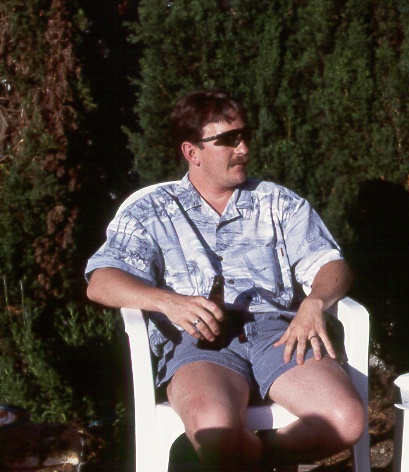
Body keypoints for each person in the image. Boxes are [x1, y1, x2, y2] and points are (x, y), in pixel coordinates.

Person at [85, 90, 366, 471]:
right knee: (215, 433)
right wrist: (167, 301)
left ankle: (250, 457)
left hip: (278, 333)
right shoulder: (151, 209)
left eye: (245, 135)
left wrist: (315, 301)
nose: (244, 148)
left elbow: (332, 265)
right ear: (192, 152)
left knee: (345, 420)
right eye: (229, 139)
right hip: (198, 340)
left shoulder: (277, 202)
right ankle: (232, 455)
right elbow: (101, 281)